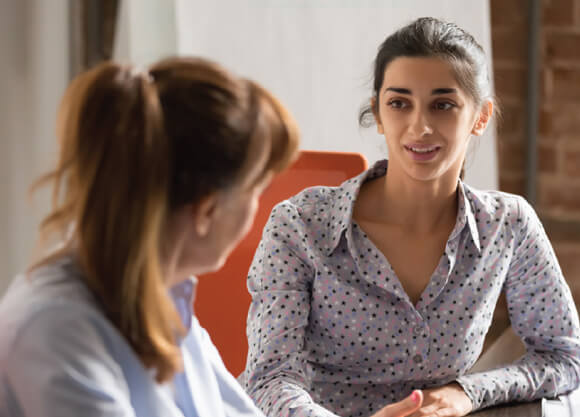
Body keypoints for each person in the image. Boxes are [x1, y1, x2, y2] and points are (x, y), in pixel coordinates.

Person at [0, 57, 425, 417]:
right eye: (255, 191)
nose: (261, 211)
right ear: (206, 210)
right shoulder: (55, 330)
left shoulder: (164, 300)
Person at [240, 17, 580, 417]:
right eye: (399, 103)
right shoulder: (300, 226)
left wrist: (466, 392)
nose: (419, 126)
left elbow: (563, 357)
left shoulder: (508, 225)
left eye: (443, 105)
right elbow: (270, 377)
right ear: (378, 113)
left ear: (480, 117)